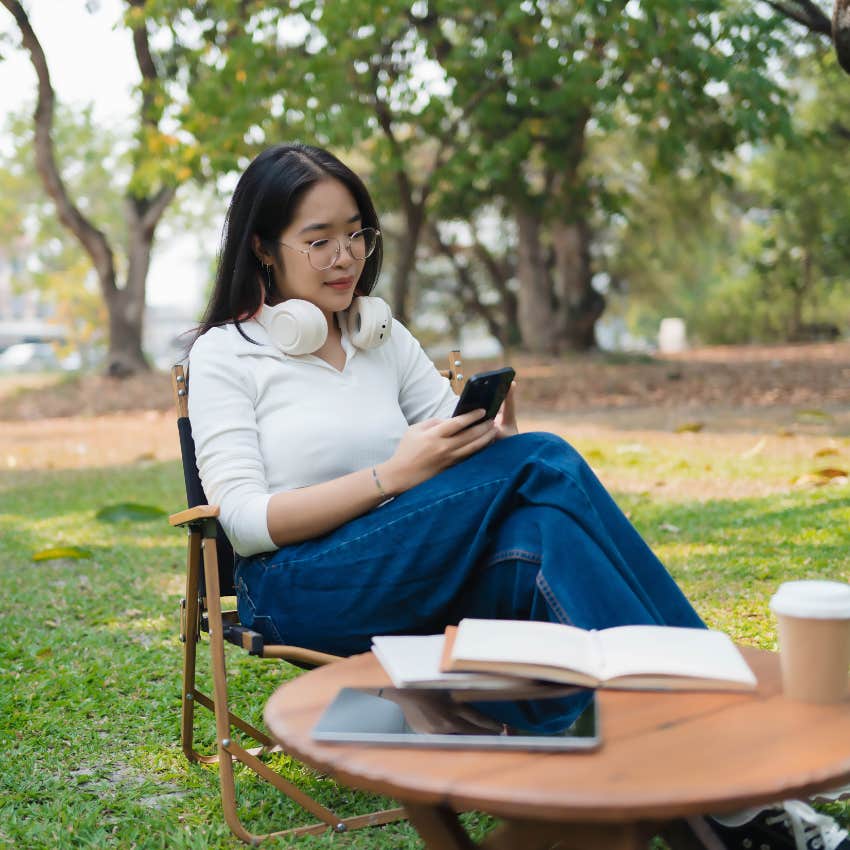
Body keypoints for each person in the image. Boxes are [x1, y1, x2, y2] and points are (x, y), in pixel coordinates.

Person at [186, 142, 848, 850]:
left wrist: (485, 438)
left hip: (414, 565)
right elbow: (244, 523)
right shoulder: (226, 354)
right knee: (546, 462)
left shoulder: (380, 336)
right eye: (319, 241)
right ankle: (746, 738)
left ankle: (712, 800)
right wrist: (392, 477)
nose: (345, 257)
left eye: (356, 233)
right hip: (296, 586)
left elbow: (463, 460)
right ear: (262, 248)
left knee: (543, 530)